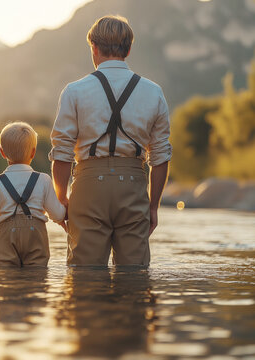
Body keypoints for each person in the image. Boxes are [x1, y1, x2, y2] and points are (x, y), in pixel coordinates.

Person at [49, 15, 171, 266]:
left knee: (85, 279)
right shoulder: (153, 92)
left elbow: (61, 153)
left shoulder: (74, 91)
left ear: (94, 48)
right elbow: (160, 157)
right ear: (128, 49)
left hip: (88, 188)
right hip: (133, 187)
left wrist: (62, 199)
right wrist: (153, 206)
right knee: (134, 278)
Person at [0, 122, 67, 267]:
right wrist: (65, 208)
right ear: (33, 152)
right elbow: (58, 215)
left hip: (6, 235)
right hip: (36, 234)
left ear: (2, 152)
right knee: (37, 278)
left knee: (6, 279)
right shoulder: (44, 179)